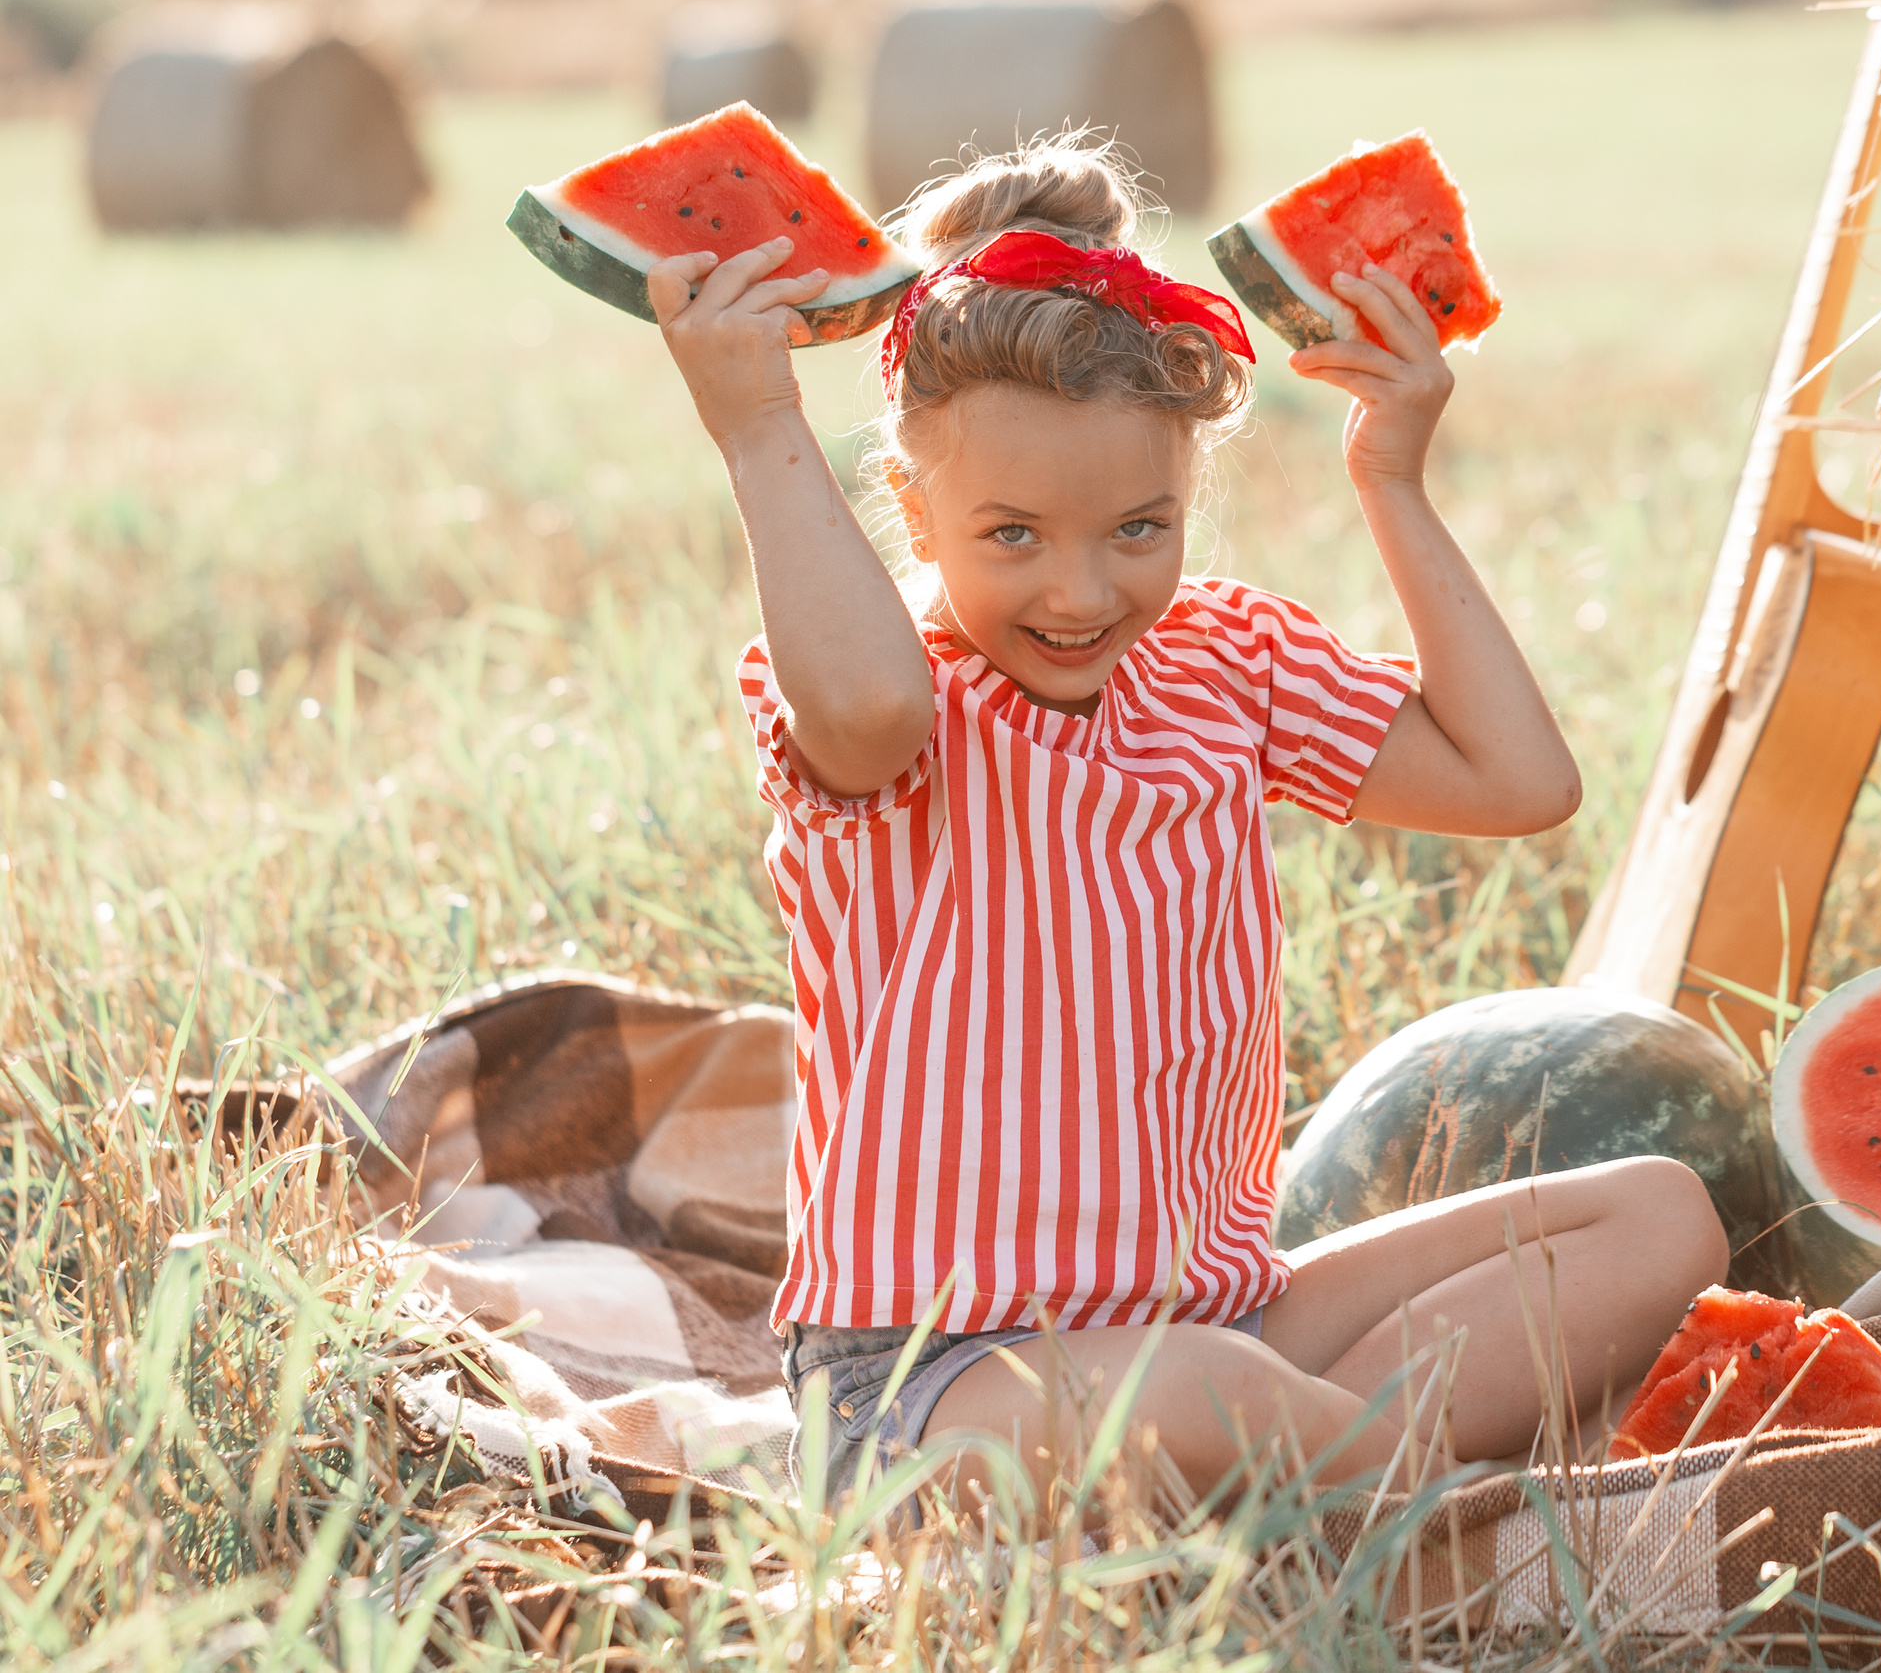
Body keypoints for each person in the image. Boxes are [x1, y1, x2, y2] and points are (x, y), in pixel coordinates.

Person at [643, 138, 1728, 1509]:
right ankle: (1457, 1516)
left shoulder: (1223, 667)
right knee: (1215, 1397)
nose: (1083, 591)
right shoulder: (896, 698)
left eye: (1139, 529)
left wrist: (1389, 476)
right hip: (925, 1382)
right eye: (1014, 535)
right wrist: (756, 426)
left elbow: (1521, 784)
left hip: (1219, 1328)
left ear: (1186, 500)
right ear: (911, 508)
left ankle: (1315, 1485)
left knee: (1659, 1212)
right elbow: (860, 702)